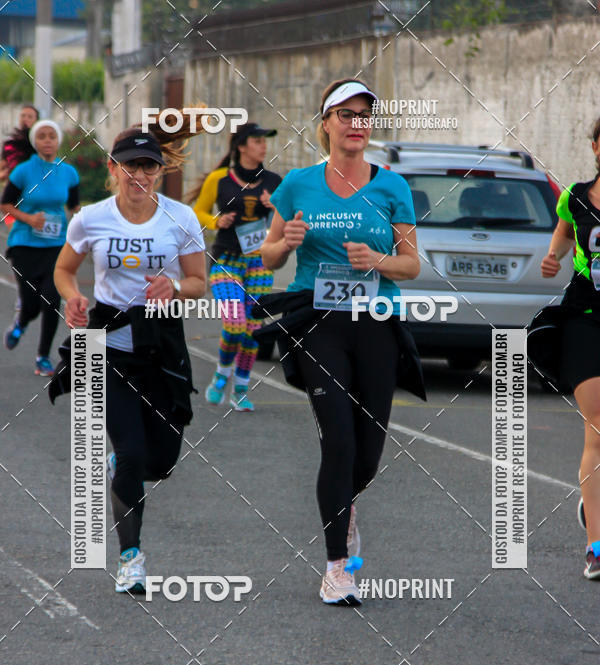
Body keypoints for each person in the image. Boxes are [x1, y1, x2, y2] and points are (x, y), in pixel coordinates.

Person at [261, 78, 425, 606]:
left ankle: (345, 507)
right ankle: (337, 566)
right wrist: (282, 243)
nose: (357, 123)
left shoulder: (392, 187)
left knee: (368, 454)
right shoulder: (297, 185)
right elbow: (267, 257)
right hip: (318, 321)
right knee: (338, 439)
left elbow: (412, 265)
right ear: (325, 124)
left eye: (364, 115)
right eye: (346, 114)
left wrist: (376, 262)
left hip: (376, 319)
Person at [52, 123, 206, 594]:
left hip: (161, 347)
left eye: (149, 166)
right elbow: (63, 269)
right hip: (107, 347)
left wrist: (175, 287)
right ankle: (131, 558)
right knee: (134, 454)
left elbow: (200, 281)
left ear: (160, 172)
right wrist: (72, 299)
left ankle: (126, 470)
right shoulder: (91, 219)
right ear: (113, 169)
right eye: (131, 165)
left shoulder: (181, 218)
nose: (140, 174)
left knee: (160, 460)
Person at [538, 115, 600, 579]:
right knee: (596, 426)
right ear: (596, 147)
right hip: (584, 319)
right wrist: (553, 256)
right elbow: (563, 232)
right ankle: (596, 546)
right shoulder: (575, 196)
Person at [193, 122, 281, 411]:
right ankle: (222, 373)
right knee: (234, 324)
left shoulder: (274, 182)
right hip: (227, 261)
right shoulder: (219, 179)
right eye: (257, 140)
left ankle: (240, 388)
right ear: (241, 146)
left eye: (264, 140)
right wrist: (216, 221)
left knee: (253, 330)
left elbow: (287, 219)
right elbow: (199, 211)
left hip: (260, 262)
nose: (263, 145)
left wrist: (275, 207)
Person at [1, 118, 79, 376]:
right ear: (35, 142)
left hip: (56, 245)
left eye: (52, 136)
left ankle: (43, 357)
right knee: (32, 303)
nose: (48, 140)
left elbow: (75, 208)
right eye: (42, 136)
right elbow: (6, 204)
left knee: (52, 298)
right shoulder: (23, 171)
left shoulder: (69, 172)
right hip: (24, 244)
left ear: (58, 141)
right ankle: (20, 324)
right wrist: (29, 219)